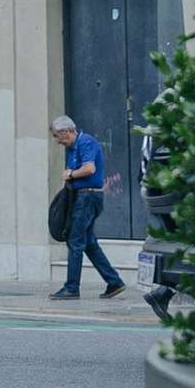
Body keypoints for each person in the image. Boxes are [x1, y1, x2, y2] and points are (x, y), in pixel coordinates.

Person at [51, 113, 125, 300]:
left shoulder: (86, 142)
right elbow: (68, 176)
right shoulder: (71, 147)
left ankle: (72, 288)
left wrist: (72, 174)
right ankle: (114, 282)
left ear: (66, 131)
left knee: (75, 241)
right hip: (80, 196)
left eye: (56, 136)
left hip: (88, 196)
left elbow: (89, 169)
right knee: (90, 244)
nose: (57, 141)